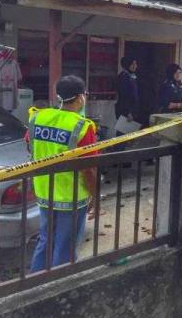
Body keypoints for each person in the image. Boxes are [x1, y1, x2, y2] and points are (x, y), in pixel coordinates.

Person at [28, 75, 98, 272]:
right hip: (72, 196)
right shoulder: (82, 126)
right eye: (84, 95)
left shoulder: (38, 117)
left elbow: (30, 144)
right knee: (65, 247)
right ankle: (59, 288)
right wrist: (95, 195)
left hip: (44, 192)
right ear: (79, 98)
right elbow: (89, 168)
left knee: (45, 240)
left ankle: (35, 284)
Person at [115, 56, 139, 125]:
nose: (135, 66)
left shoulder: (131, 76)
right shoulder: (123, 77)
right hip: (125, 112)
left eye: (135, 64)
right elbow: (124, 96)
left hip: (132, 111)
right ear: (127, 65)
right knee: (123, 132)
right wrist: (128, 112)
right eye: (133, 64)